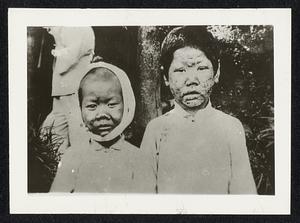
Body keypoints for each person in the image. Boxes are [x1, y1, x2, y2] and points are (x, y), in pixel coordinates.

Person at [140, 26, 257, 194]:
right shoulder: (156, 130)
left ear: (216, 73)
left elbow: (245, 194)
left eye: (201, 68)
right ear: (166, 77)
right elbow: (144, 196)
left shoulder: (230, 127)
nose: (191, 80)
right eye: (180, 70)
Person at [50, 62, 148, 193]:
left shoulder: (138, 158)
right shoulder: (73, 157)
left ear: (126, 104)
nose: (102, 114)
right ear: (80, 108)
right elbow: (57, 202)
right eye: (92, 106)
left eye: (112, 104)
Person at [40, 26, 95, 154]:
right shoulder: (71, 26)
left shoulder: (78, 26)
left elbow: (71, 55)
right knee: (58, 124)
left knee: (77, 124)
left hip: (72, 84)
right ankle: (57, 159)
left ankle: (80, 161)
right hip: (63, 85)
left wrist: (57, 47)